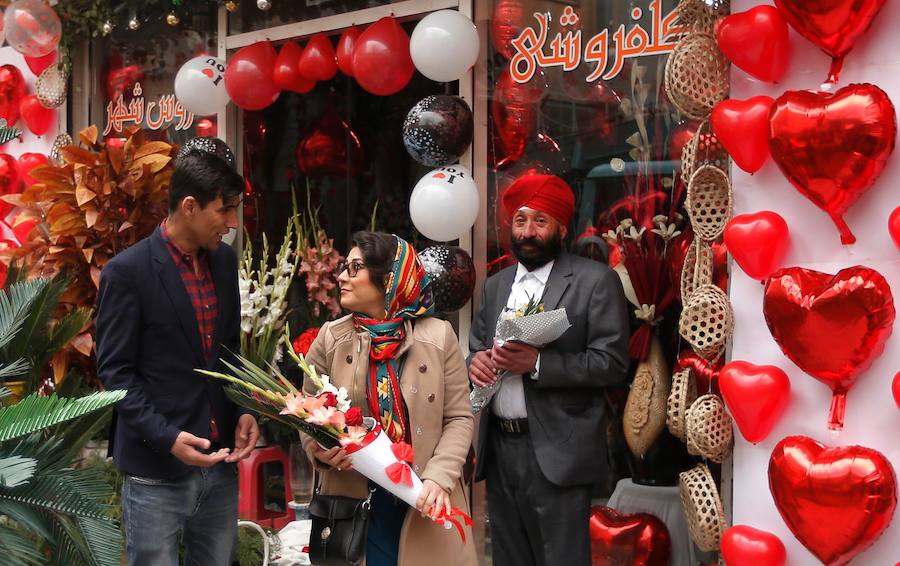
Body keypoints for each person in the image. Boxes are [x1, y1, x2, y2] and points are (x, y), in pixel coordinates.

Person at [96, 147, 260, 565]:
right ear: (189, 207)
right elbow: (115, 373)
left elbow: (228, 353)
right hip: (154, 470)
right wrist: (167, 438)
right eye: (224, 210)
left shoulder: (224, 262)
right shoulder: (126, 272)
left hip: (220, 463)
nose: (233, 223)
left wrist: (243, 410)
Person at [468, 174, 630, 566]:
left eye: (540, 221)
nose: (527, 232)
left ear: (561, 228)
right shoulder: (495, 286)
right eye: (520, 220)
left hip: (559, 452)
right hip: (500, 449)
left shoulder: (595, 281)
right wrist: (476, 363)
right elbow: (476, 347)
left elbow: (612, 364)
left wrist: (538, 364)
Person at [302, 231, 476, 566]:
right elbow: (308, 409)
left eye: (355, 268)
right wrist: (320, 450)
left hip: (424, 495)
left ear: (389, 279)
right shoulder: (330, 338)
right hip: (356, 502)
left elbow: (458, 417)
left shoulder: (439, 336)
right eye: (343, 267)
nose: (342, 277)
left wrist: (439, 477)